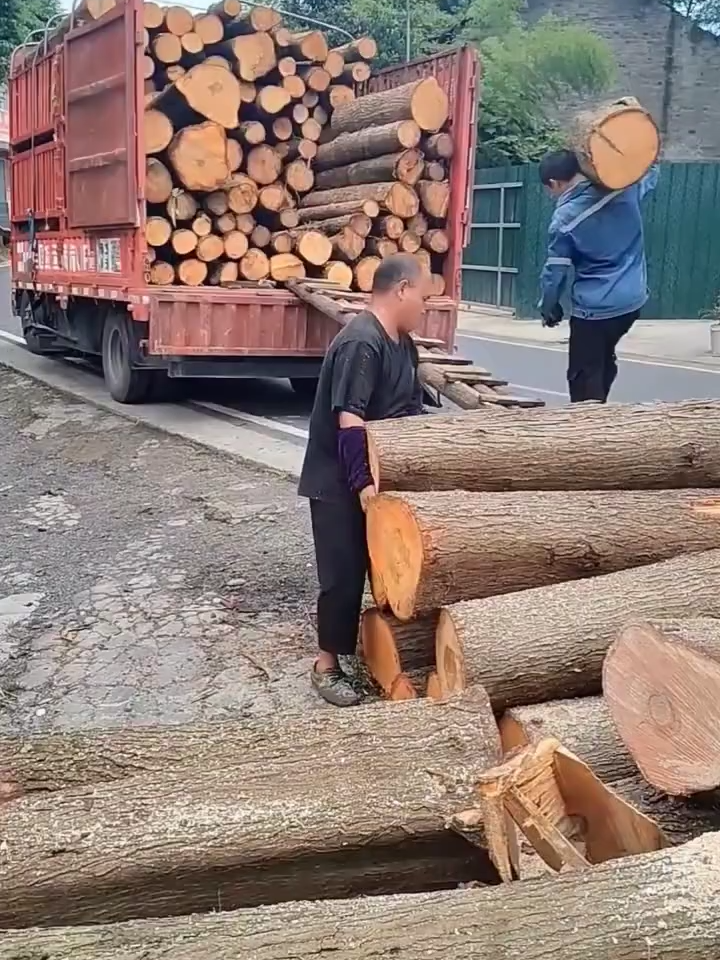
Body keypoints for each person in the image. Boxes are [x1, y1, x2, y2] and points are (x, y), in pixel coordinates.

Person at [298, 254, 428, 706]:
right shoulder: (361, 342)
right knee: (343, 574)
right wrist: (362, 486)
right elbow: (349, 420)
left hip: (379, 476)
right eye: (423, 297)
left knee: (388, 566)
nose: (425, 307)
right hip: (339, 478)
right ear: (402, 289)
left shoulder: (403, 345)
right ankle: (326, 665)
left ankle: (379, 647)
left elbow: (410, 410)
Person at [538, 149, 658, 403]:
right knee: (603, 359)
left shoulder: (565, 218)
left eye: (550, 191)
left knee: (583, 377)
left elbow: (555, 272)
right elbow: (650, 172)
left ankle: (589, 430)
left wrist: (549, 307)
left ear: (554, 183)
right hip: (632, 301)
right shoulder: (625, 189)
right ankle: (601, 405)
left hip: (594, 309)